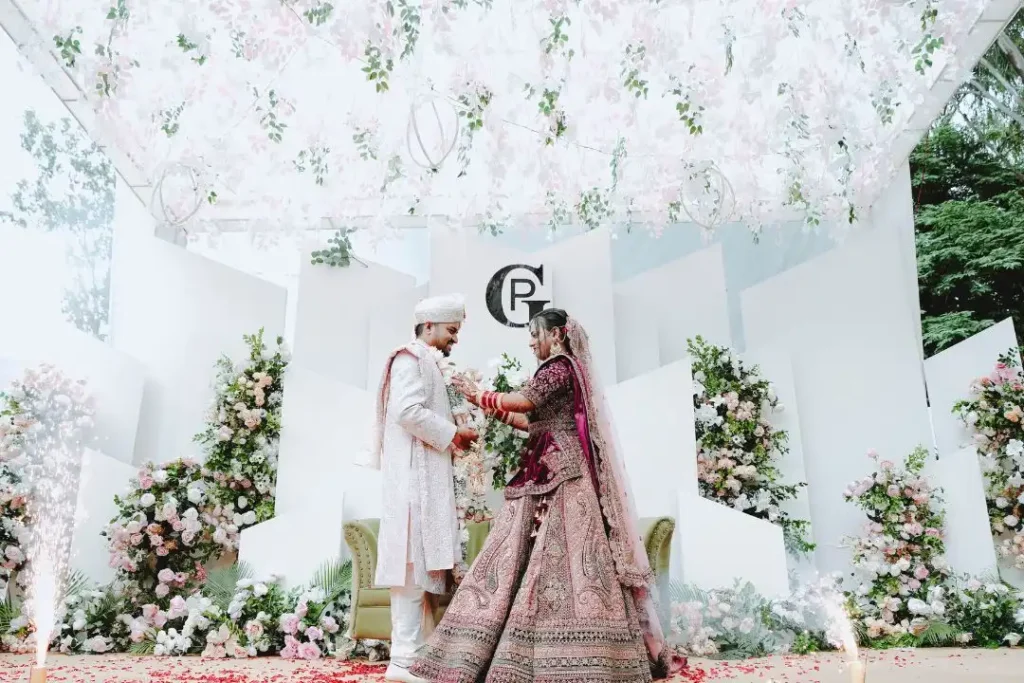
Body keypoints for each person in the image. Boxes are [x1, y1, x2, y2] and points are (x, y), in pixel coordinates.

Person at [410, 308, 675, 683]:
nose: (532, 343)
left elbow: (525, 401)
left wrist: (478, 393)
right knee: (522, 553)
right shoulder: (559, 370)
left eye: (536, 335)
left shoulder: (561, 366)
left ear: (557, 335)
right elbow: (527, 420)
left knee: (568, 554)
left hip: (562, 473)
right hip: (544, 466)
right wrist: (484, 404)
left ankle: (585, 653)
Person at [369, 293, 480, 683]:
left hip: (425, 477)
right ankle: (401, 660)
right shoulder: (409, 359)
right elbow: (406, 411)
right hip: (414, 480)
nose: (455, 339)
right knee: (410, 567)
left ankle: (410, 657)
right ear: (428, 326)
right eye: (452, 330)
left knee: (418, 567)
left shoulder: (428, 362)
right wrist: (453, 433)